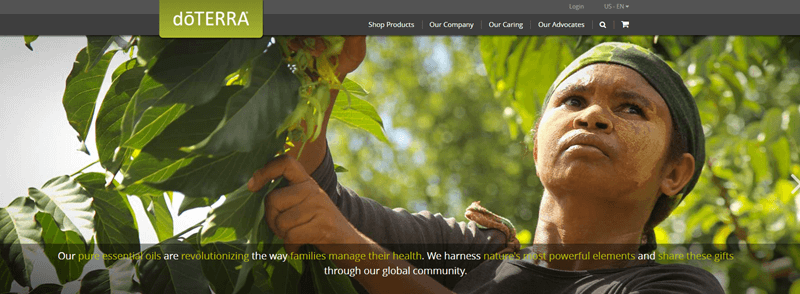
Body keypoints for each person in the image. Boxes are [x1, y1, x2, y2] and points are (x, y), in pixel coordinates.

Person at [247, 37, 726, 293]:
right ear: (537, 146)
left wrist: (348, 244)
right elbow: (311, 197)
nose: (593, 115)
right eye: (573, 99)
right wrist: (325, 68)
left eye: (631, 108)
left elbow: (338, 231)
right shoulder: (469, 252)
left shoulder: (676, 286)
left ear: (674, 173)